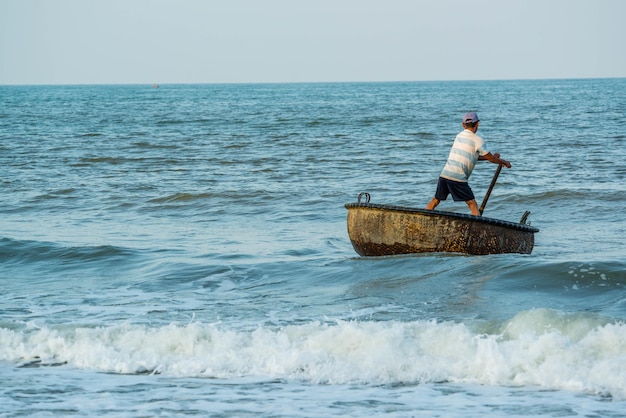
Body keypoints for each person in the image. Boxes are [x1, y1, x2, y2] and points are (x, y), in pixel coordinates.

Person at [425, 112, 511, 216]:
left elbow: (472, 157)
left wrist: (492, 158)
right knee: (472, 203)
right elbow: (491, 159)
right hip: (458, 177)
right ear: (477, 124)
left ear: (463, 125)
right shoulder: (478, 140)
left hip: (445, 174)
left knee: (436, 200)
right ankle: (477, 228)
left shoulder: (459, 136)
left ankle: (424, 217)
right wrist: (504, 162)